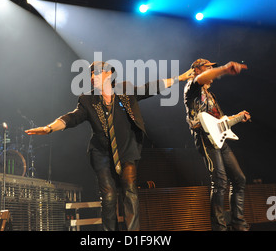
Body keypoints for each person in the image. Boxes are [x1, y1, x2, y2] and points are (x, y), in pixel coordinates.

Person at [25, 61, 193, 231]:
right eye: (91, 74)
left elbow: (151, 87)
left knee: (130, 190)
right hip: (101, 152)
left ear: (109, 74)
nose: (92, 77)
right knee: (109, 195)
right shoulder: (87, 100)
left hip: (126, 149)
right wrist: (49, 128)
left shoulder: (125, 90)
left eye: (97, 73)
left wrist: (180, 78)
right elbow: (72, 118)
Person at [183, 58, 250, 231]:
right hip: (205, 139)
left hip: (219, 139)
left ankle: (238, 223)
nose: (211, 71)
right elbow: (201, 79)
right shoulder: (192, 87)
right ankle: (219, 227)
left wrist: (239, 117)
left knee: (239, 178)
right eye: (208, 68)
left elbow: (220, 122)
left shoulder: (211, 96)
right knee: (220, 182)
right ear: (197, 70)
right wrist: (225, 69)